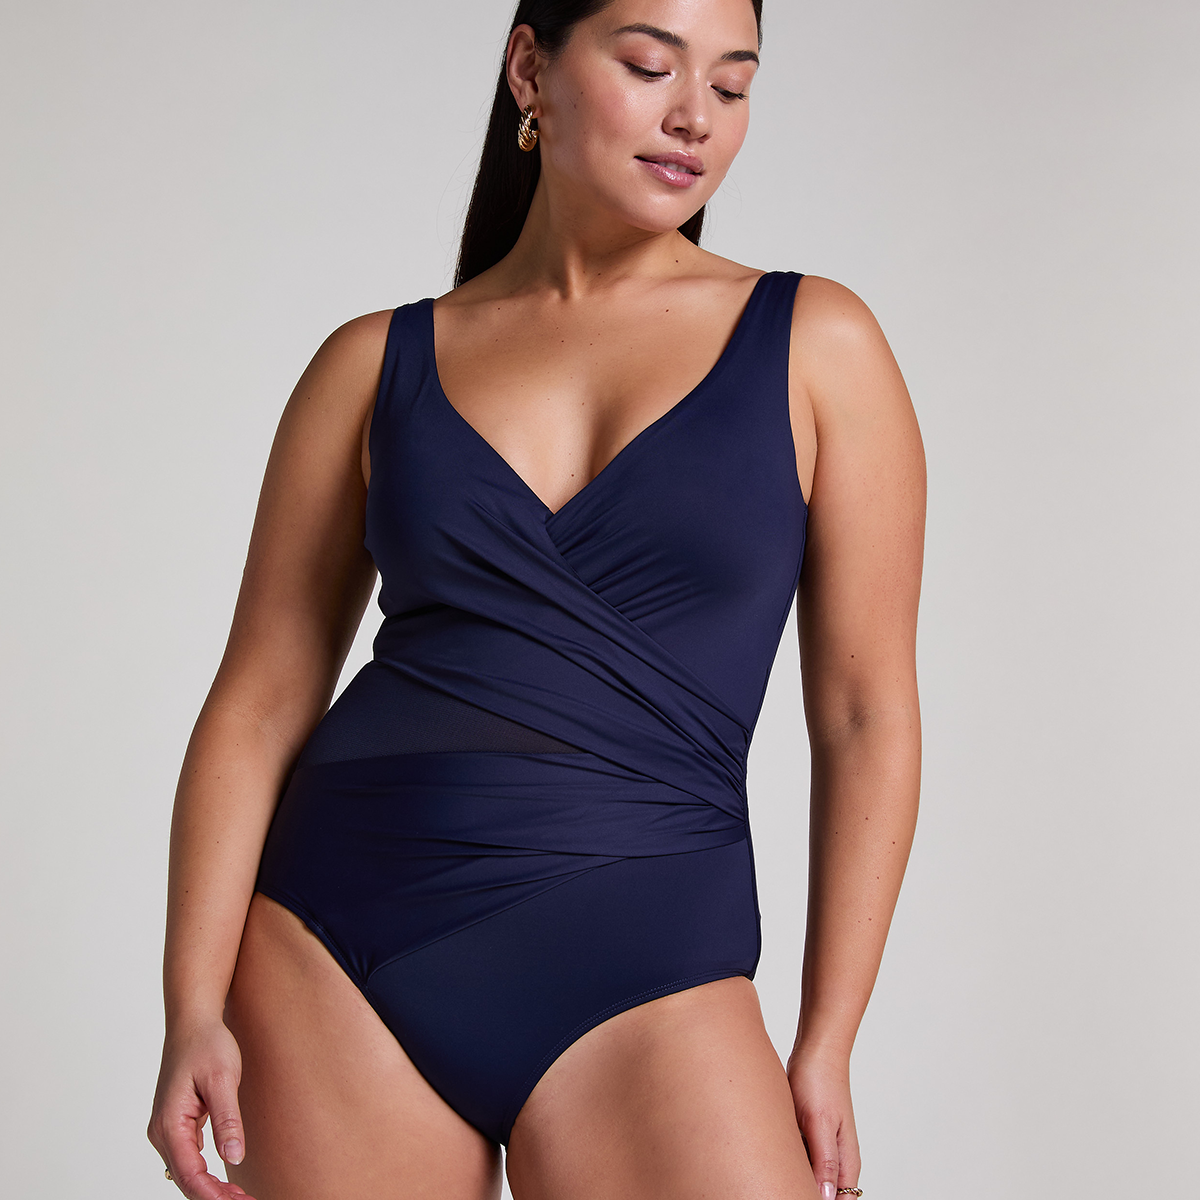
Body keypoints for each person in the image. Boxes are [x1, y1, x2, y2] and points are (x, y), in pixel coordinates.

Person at [147, 1, 925, 1197]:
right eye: (651, 66)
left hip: (652, 959)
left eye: (731, 86)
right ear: (530, 68)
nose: (694, 117)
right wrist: (191, 1004)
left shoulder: (817, 344)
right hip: (339, 945)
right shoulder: (372, 364)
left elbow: (867, 714)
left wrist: (830, 1034)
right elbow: (257, 703)